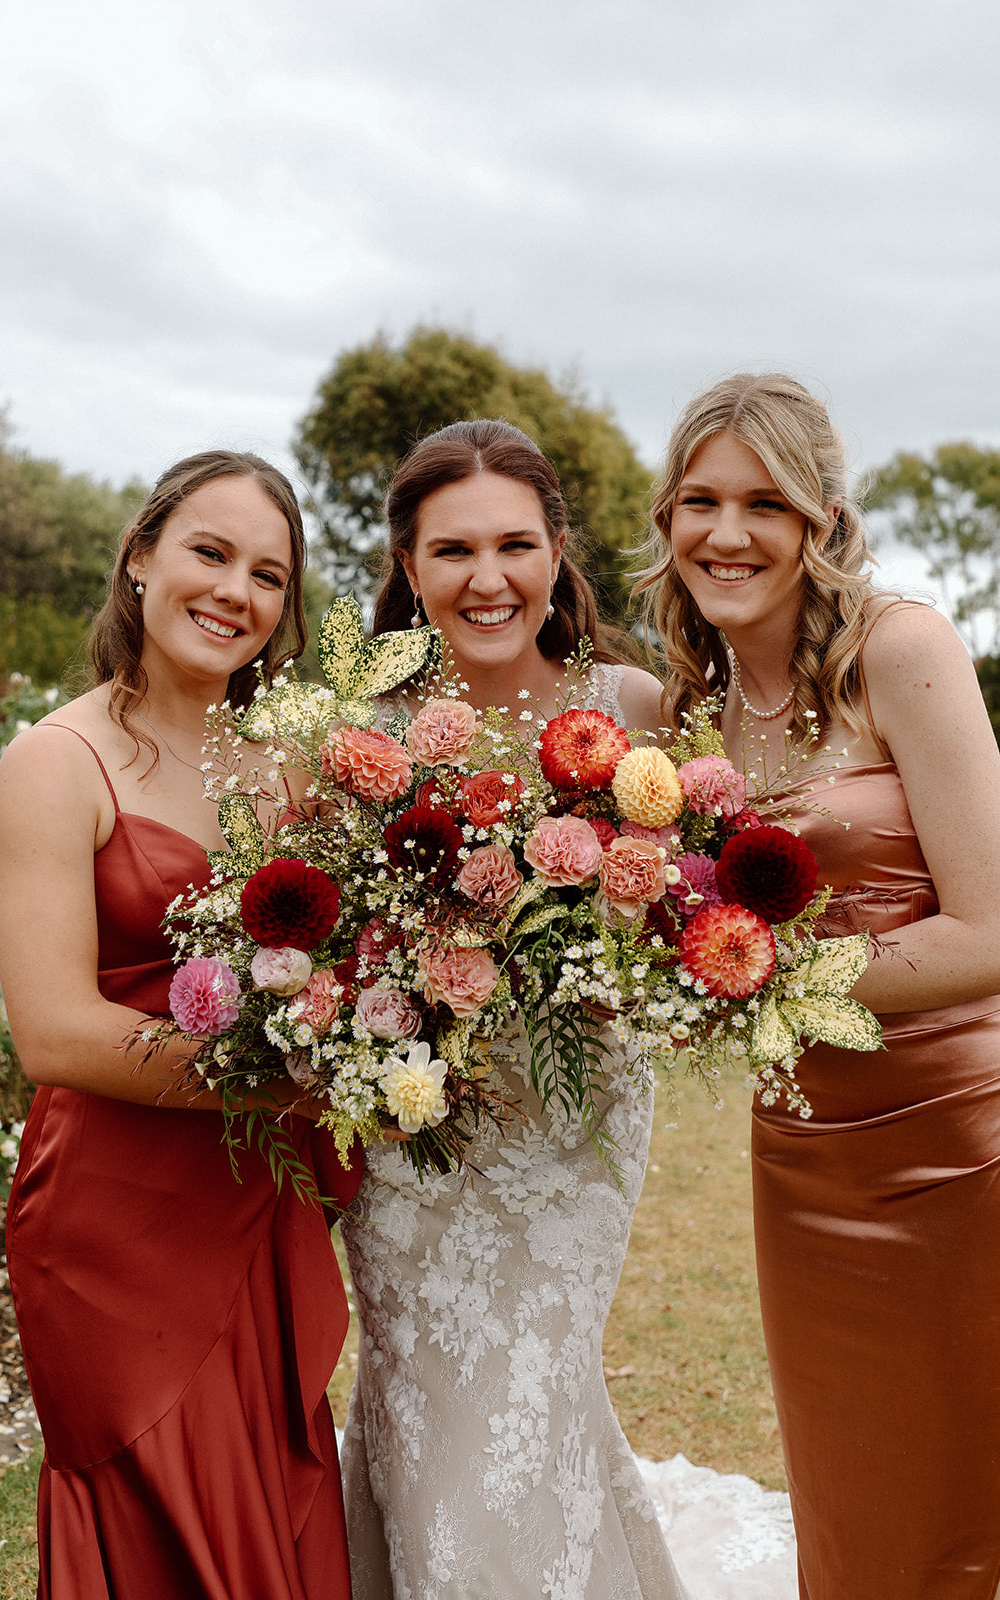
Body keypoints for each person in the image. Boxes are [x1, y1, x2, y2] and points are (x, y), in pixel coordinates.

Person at [636, 372, 1000, 1600]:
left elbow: (989, 928)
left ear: (818, 523)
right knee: (850, 1501)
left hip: (957, 1141)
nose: (725, 534)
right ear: (665, 518)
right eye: (699, 500)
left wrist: (773, 975)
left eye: (762, 504)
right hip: (801, 1146)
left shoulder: (900, 649)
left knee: (963, 1499)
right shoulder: (692, 706)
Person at [0, 451, 358, 1600]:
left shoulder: (295, 765)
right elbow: (51, 1032)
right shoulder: (59, 760)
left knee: (270, 1507)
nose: (234, 592)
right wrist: (294, 1081)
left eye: (268, 574)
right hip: (115, 1224)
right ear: (141, 555)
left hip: (258, 1210)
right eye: (209, 551)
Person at [338, 419, 689, 1599]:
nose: (484, 579)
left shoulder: (633, 706)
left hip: (569, 1122)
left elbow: (672, 914)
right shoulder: (359, 731)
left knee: (534, 1384)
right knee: (429, 1394)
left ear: (554, 551)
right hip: (412, 1131)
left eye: (512, 545)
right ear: (407, 565)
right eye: (450, 551)